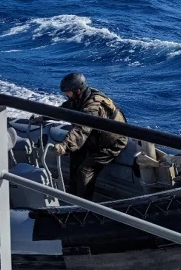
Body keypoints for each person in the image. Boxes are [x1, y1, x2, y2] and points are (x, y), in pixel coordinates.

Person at [51, 73, 128, 201]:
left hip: (111, 143)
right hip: (95, 138)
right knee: (74, 160)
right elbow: (63, 111)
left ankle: (83, 205)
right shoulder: (79, 98)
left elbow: (82, 129)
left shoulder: (93, 106)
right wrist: (44, 116)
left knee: (85, 170)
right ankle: (72, 196)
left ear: (77, 90)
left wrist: (64, 146)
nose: (66, 95)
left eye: (68, 92)